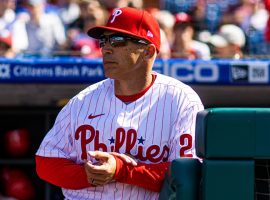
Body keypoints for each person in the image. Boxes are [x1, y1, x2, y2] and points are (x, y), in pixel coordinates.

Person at [35, 7, 204, 199]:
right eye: (103, 41)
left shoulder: (181, 100)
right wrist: (90, 175)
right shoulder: (82, 101)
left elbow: (188, 174)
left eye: (117, 41)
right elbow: (46, 161)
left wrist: (122, 171)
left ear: (148, 52)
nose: (106, 49)